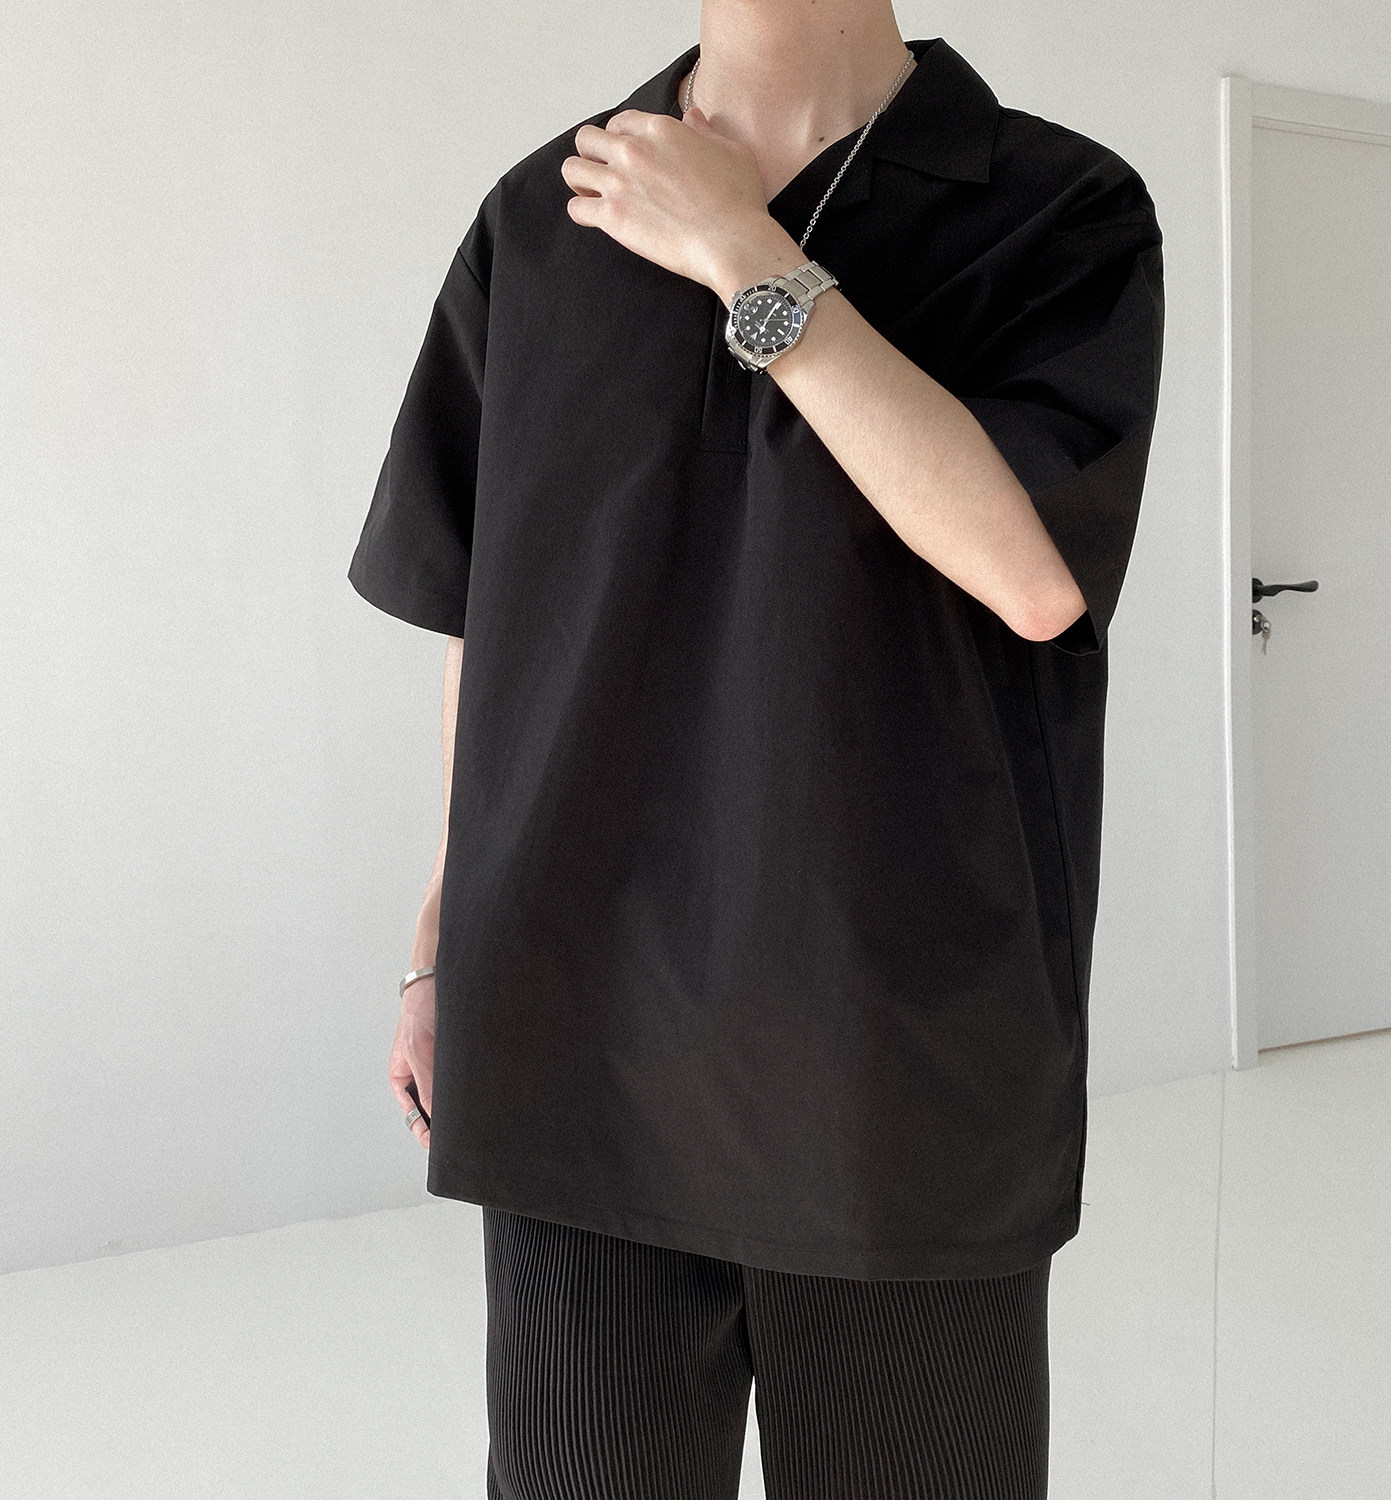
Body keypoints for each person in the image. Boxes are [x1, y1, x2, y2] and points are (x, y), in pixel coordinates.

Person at [348, 1, 1165, 1494]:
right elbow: (488, 614)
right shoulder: (545, 215)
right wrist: (437, 936)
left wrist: (749, 255)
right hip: (578, 1036)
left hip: (895, 1053)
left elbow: (1033, 575)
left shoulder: (1057, 208)